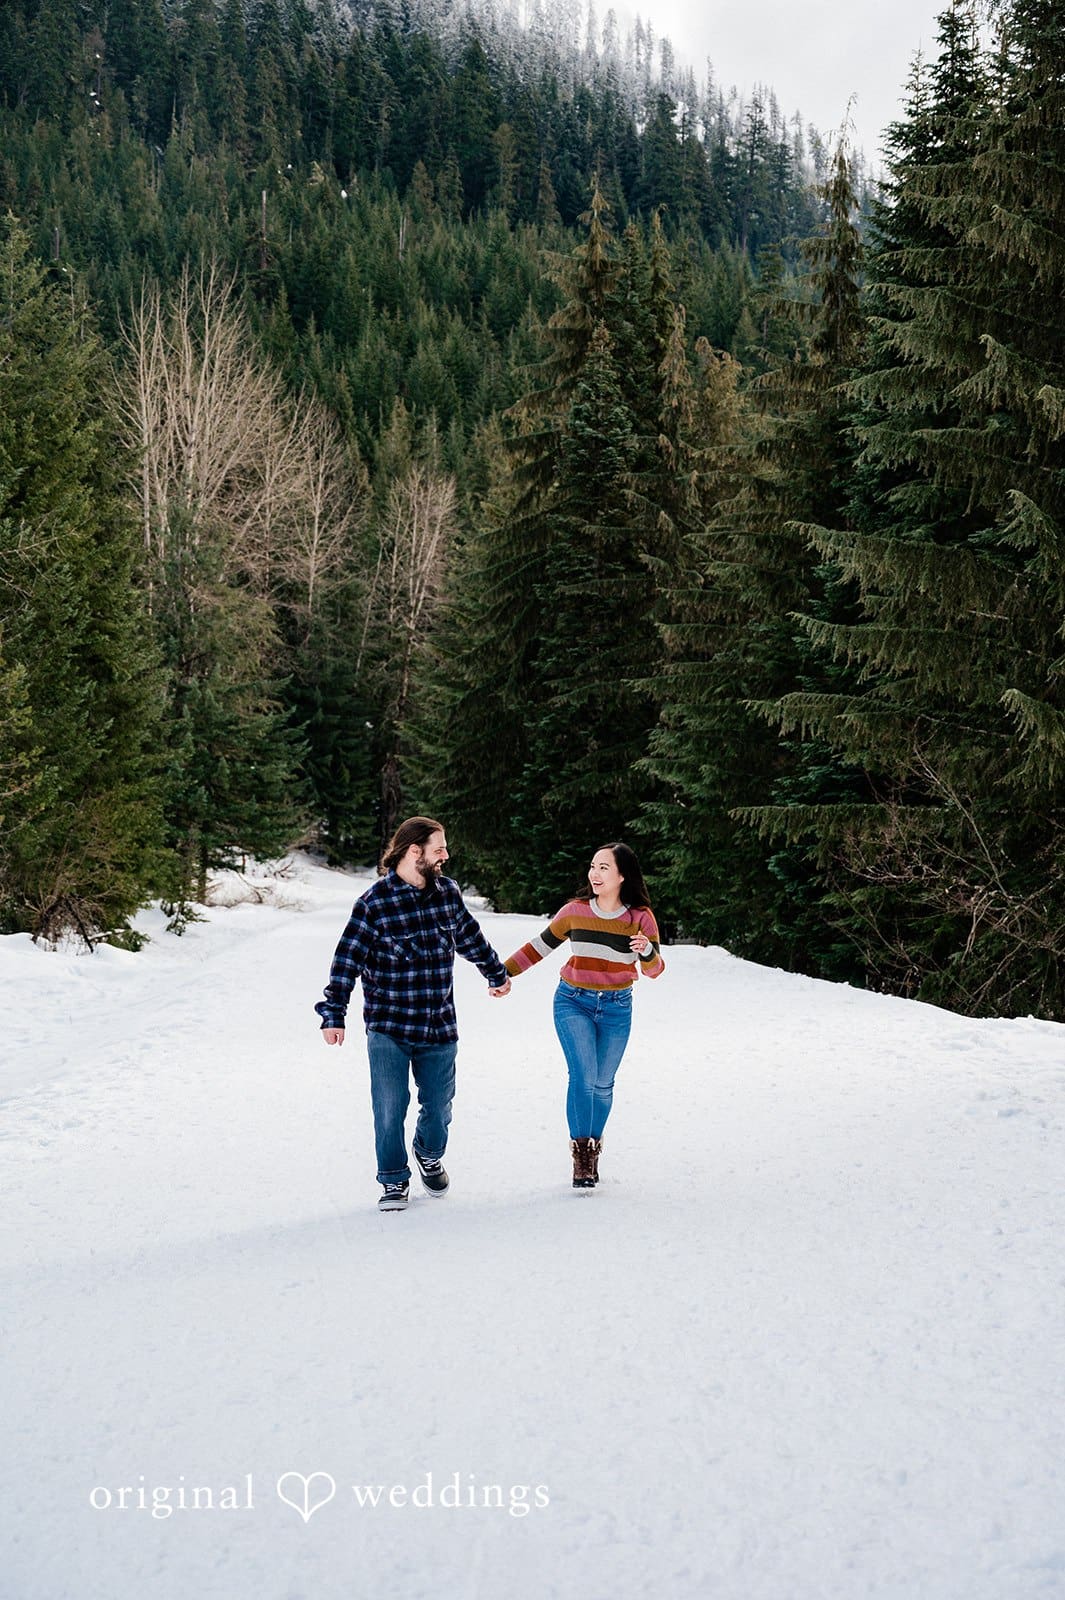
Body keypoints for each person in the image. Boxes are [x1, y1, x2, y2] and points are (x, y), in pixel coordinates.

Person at [315, 816, 511, 1212]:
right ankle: (392, 1180)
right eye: (439, 848)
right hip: (389, 1026)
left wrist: (495, 971)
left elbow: (470, 937)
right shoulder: (374, 904)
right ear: (413, 851)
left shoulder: (448, 894)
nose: (446, 855)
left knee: (439, 1107)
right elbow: (346, 961)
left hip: (438, 1024)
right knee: (389, 1106)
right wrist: (334, 1012)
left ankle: (428, 1151)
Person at [501, 841, 664, 1189]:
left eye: (604, 868)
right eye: (592, 866)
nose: (594, 874)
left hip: (618, 1007)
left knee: (603, 1084)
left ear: (622, 875)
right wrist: (502, 973)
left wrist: (647, 950)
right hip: (573, 1000)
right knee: (583, 1074)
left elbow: (654, 970)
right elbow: (538, 947)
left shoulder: (640, 918)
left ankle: (592, 1145)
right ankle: (582, 1155)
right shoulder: (575, 911)